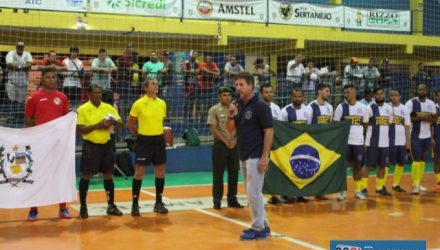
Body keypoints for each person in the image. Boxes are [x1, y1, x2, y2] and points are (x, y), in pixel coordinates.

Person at [227, 72, 273, 240]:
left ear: (250, 85)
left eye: (241, 84)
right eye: (236, 84)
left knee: (253, 193)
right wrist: (231, 113)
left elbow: (269, 131)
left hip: (256, 154)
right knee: (253, 192)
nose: (238, 87)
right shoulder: (239, 104)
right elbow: (231, 128)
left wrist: (264, 157)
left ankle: (258, 227)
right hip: (243, 154)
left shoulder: (260, 106)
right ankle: (264, 224)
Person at [24, 68, 70, 221]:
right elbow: (28, 118)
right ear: (42, 79)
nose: (52, 80)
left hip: (58, 143)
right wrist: (39, 134)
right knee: (36, 174)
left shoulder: (62, 97)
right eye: (48, 77)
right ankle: (33, 209)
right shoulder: (34, 97)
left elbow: (65, 121)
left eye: (54, 77)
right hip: (40, 144)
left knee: (60, 174)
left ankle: (63, 208)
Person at [76, 84, 124, 219]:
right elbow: (79, 130)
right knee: (86, 176)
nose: (98, 95)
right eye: (95, 93)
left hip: (106, 145)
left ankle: (111, 205)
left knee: (108, 175)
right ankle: (83, 206)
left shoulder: (108, 108)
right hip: (90, 146)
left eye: (100, 92)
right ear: (89, 94)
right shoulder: (83, 109)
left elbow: (121, 125)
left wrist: (113, 122)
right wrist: (99, 125)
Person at [128, 78, 168, 215]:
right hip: (144, 140)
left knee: (160, 170)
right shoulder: (138, 104)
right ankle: (135, 204)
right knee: (139, 171)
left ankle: (158, 202)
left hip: (158, 140)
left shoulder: (162, 103)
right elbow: (131, 124)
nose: (156, 85)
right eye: (152, 84)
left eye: (157, 83)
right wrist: (140, 135)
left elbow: (161, 120)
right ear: (146, 88)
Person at [207, 86, 243, 210]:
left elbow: (240, 127)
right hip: (220, 146)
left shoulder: (236, 110)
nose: (227, 97)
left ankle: (232, 199)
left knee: (234, 173)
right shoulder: (214, 110)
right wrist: (225, 141)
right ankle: (217, 201)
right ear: (219, 97)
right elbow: (213, 128)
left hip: (234, 145)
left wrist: (235, 141)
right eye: (224, 95)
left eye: (229, 95)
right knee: (218, 174)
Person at [333, 84, 368, 200]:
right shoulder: (341, 107)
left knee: (357, 167)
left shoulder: (363, 108)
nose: (346, 95)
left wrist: (362, 140)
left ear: (354, 93)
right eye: (345, 93)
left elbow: (365, 125)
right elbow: (336, 125)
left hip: (358, 142)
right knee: (343, 168)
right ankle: (342, 192)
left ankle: (358, 191)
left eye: (348, 92)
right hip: (345, 143)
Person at [277, 88, 310, 204]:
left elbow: (310, 128)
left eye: (299, 97)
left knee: (302, 170)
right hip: (289, 147)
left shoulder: (308, 110)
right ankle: (286, 194)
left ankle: (300, 194)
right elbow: (281, 129)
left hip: (303, 146)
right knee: (288, 170)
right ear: (291, 97)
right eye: (295, 97)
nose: (297, 99)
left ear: (302, 97)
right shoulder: (285, 111)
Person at [361, 87, 393, 196]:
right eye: (377, 94)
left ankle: (379, 187)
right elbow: (364, 126)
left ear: (384, 94)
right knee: (367, 165)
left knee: (383, 165)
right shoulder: (369, 108)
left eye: (381, 93)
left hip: (385, 143)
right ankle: (363, 188)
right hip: (371, 142)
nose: (379, 96)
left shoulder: (389, 108)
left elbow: (390, 124)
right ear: (374, 96)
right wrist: (364, 142)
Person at [405, 84, 436, 194]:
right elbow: (407, 118)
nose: (421, 91)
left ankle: (419, 182)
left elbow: (434, 120)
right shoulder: (411, 103)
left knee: (423, 160)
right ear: (416, 91)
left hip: (427, 136)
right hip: (415, 136)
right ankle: (415, 185)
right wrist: (422, 118)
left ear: (427, 90)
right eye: (419, 89)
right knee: (416, 160)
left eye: (423, 89)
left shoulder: (431, 103)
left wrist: (432, 136)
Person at [306, 83, 333, 200]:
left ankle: (320, 191)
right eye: (326, 91)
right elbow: (307, 125)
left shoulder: (330, 107)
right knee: (312, 166)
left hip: (325, 142)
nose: (328, 93)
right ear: (319, 92)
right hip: (313, 142)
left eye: (329, 91)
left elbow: (330, 125)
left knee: (323, 167)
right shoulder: (311, 106)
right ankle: (309, 189)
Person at [389, 88, 411, 192]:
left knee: (401, 162)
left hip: (401, 141)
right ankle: (381, 186)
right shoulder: (386, 107)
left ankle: (395, 184)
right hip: (389, 140)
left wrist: (408, 143)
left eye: (395, 95)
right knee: (386, 163)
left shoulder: (405, 109)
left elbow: (407, 126)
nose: (393, 97)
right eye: (392, 95)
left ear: (400, 96)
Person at [182, 50, 199, 121]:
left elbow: (198, 70)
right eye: (194, 54)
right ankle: (185, 117)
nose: (195, 56)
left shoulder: (197, 62)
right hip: (187, 83)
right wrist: (190, 71)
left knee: (192, 101)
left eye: (196, 55)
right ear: (190, 55)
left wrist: (195, 71)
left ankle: (190, 117)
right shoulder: (186, 62)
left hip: (194, 83)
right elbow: (183, 70)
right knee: (186, 100)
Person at [432, 89, 440, 191]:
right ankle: (438, 182)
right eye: (438, 95)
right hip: (437, 139)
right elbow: (430, 125)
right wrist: (431, 137)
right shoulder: (433, 108)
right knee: (437, 161)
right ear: (435, 97)